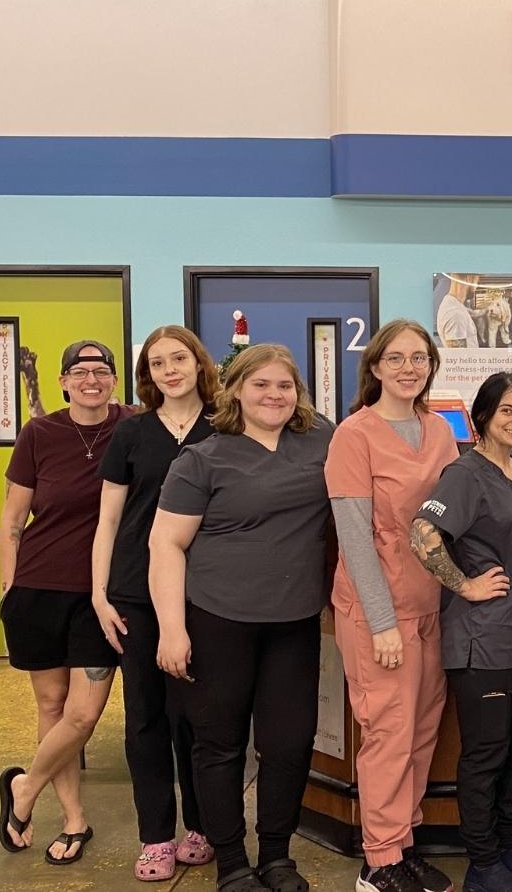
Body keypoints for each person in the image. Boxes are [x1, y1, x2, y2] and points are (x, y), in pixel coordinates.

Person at [149, 344, 334, 892]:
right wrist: (172, 628)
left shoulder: (321, 442)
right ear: (234, 391)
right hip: (216, 620)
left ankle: (276, 855)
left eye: (284, 386)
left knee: (289, 742)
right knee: (220, 744)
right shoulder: (204, 458)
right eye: (261, 385)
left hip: (294, 622)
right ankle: (231, 862)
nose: (273, 395)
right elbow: (165, 544)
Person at [325, 319, 459, 892]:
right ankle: (378, 861)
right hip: (377, 612)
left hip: (433, 608)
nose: (410, 367)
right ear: (375, 367)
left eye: (420, 357)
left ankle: (402, 843)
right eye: (397, 358)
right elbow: (354, 537)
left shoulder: (441, 431)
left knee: (422, 732)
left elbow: (454, 521)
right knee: (387, 733)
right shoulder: (353, 434)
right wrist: (381, 623)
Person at [410, 371, 512, 892]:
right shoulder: (466, 474)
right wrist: (465, 585)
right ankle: (483, 862)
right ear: (482, 417)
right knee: (486, 752)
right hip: (481, 640)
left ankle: (505, 845)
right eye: (508, 411)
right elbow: (422, 531)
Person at [0, 340, 133, 866]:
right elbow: (12, 523)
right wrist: (9, 587)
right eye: (80, 371)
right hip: (37, 590)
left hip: (101, 596)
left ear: (115, 380)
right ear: (63, 381)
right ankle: (75, 819)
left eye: (101, 371)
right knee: (51, 706)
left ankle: (24, 789)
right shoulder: (39, 434)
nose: (91, 379)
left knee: (81, 714)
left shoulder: (134, 425)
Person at [91, 325, 220, 881]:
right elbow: (109, 520)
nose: (170, 369)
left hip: (208, 593)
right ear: (148, 374)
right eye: (158, 362)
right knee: (144, 717)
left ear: (198, 364)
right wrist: (98, 593)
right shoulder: (131, 433)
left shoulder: (225, 428)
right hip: (134, 594)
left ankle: (201, 826)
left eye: (180, 358)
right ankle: (155, 837)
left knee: (197, 715)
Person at [437, 280, 483, 348]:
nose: (476, 286)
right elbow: (458, 357)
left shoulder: (455, 304)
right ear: (470, 278)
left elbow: (473, 313)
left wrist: (488, 310)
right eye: (477, 282)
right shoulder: (455, 313)